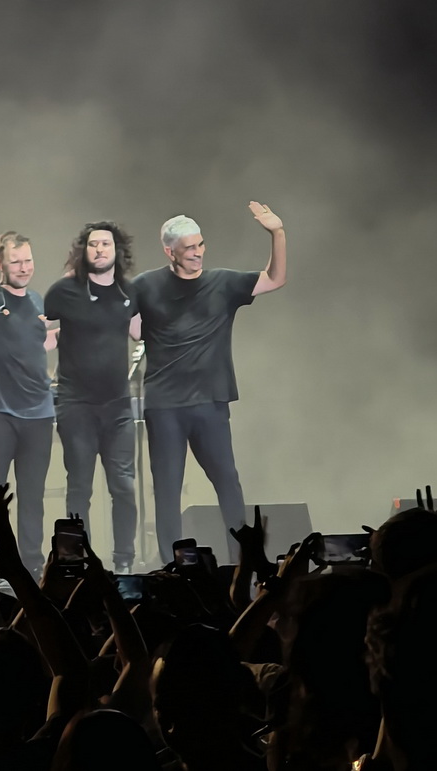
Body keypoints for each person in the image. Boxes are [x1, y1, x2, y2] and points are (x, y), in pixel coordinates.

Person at [129, 202, 286, 562]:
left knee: (227, 482)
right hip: (165, 406)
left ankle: (244, 562)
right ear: (169, 251)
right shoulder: (146, 285)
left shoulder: (223, 283)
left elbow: (275, 279)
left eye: (200, 244)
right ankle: (172, 567)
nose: (198, 252)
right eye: (189, 248)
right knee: (167, 490)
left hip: (210, 403)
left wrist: (277, 232)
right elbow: (120, 319)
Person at [44, 221, 139, 572]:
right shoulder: (63, 291)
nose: (100, 249)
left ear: (117, 250)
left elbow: (142, 331)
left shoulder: (130, 291)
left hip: (118, 407)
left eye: (106, 244)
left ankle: (124, 562)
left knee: (124, 487)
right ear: (83, 251)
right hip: (76, 406)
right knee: (80, 487)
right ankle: (76, 561)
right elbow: (38, 330)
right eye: (93, 244)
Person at [0, 230, 55, 575]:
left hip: (39, 414)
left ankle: (32, 566)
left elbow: (36, 344)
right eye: (16, 262)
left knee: (33, 495)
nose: (24, 268)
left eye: (28, 261)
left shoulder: (38, 301)